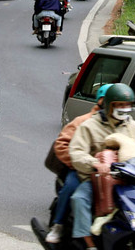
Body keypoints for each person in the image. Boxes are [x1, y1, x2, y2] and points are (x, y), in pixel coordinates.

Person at [68, 83, 135, 250]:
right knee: (79, 199)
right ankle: (87, 241)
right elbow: (77, 152)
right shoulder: (90, 126)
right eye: (120, 105)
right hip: (97, 179)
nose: (124, 108)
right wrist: (95, 164)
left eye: (128, 105)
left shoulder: (134, 127)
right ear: (109, 105)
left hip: (130, 180)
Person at [45, 84, 111, 244]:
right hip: (81, 170)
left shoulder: (119, 124)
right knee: (71, 188)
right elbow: (61, 144)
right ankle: (58, 224)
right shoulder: (83, 122)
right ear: (101, 100)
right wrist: (78, 162)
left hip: (107, 173)